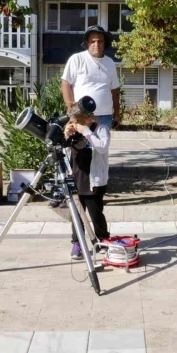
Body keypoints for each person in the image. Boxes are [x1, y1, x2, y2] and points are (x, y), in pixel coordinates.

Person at [61, 25, 119, 258]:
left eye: (101, 41)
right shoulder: (77, 59)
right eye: (93, 41)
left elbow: (114, 90)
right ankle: (77, 240)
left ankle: (100, 236)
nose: (97, 44)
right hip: (79, 115)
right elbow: (66, 84)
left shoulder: (110, 64)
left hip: (103, 117)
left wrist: (116, 112)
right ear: (87, 43)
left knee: (98, 163)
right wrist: (72, 112)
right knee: (79, 168)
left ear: (105, 43)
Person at [64, 111, 111, 259]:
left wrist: (86, 132)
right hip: (75, 179)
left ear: (89, 119)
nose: (75, 125)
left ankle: (103, 240)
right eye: (73, 122)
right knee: (76, 216)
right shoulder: (73, 132)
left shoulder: (101, 129)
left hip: (93, 181)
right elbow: (64, 153)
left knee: (96, 213)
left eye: (78, 122)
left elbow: (102, 147)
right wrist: (65, 136)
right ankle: (77, 243)